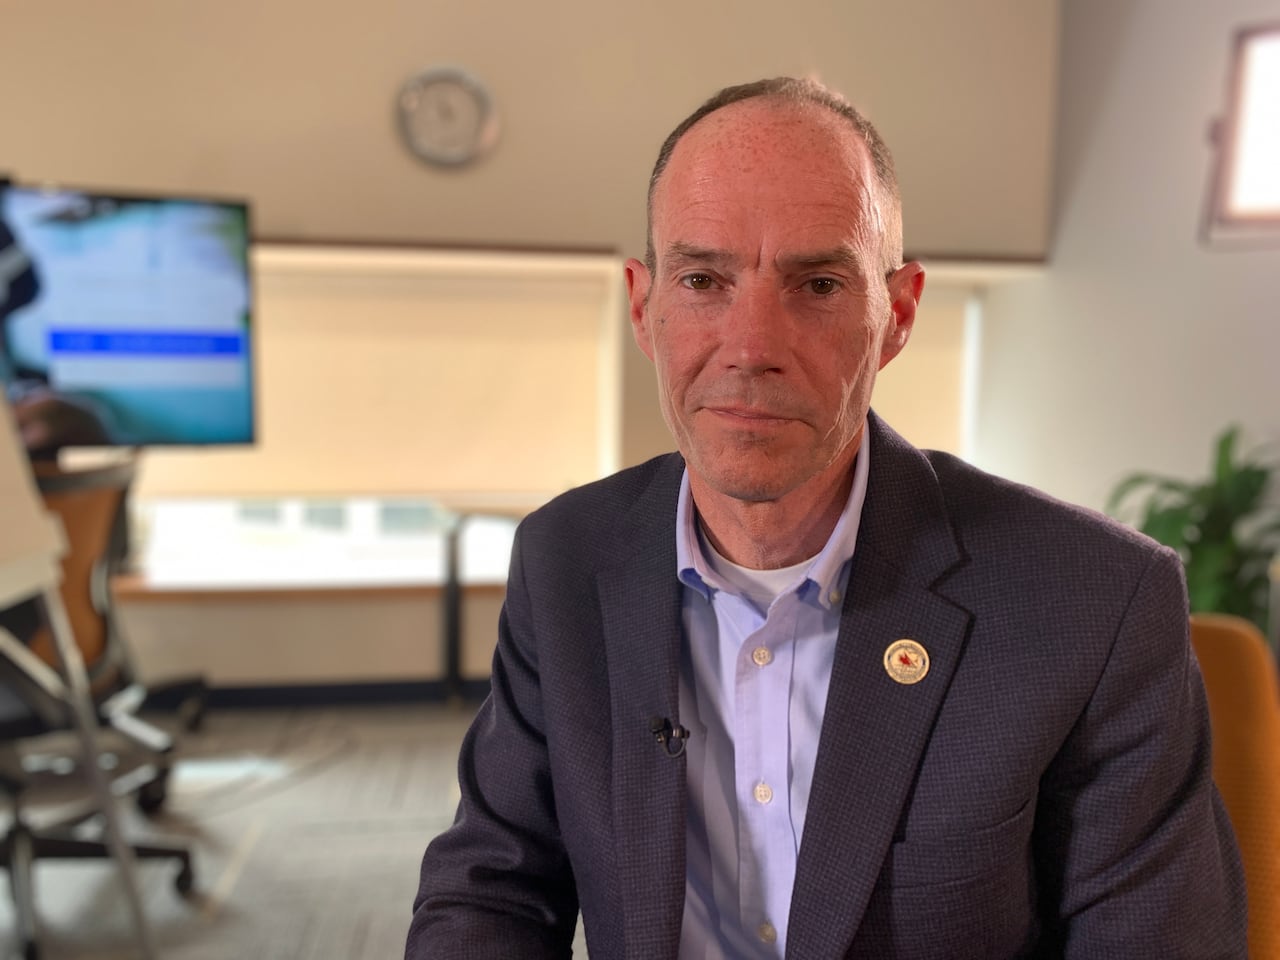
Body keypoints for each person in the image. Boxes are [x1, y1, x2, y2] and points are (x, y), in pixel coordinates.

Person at [406, 77, 1246, 959]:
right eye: (702, 279)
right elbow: (489, 889)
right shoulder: (565, 559)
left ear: (899, 314)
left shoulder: (1093, 601)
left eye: (815, 285)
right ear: (643, 307)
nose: (752, 347)